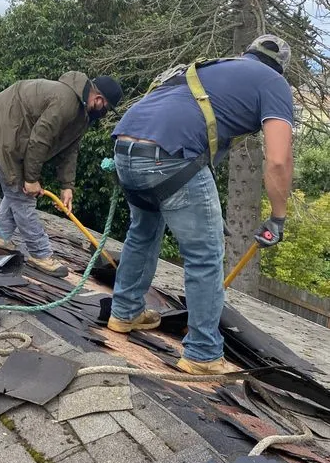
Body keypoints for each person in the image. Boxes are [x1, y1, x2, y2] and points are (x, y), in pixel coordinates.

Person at [107, 35, 294, 375]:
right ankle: (204, 354)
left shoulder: (213, 69)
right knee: (205, 256)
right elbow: (279, 161)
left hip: (125, 149)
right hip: (171, 156)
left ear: (246, 53)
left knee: (143, 232)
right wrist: (278, 216)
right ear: (282, 67)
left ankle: (124, 312)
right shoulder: (274, 83)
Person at [0, 72, 123, 275]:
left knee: (17, 193)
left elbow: (70, 149)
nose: (104, 113)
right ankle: (40, 254)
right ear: (99, 99)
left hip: (12, 140)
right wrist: (31, 179)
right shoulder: (66, 101)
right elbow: (39, 139)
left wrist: (67, 186)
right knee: (23, 195)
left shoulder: (81, 112)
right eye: (106, 108)